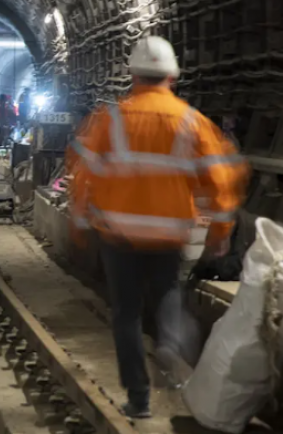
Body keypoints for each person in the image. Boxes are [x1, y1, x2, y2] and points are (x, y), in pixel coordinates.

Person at [68, 36, 249, 419]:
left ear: (132, 75)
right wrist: (219, 233)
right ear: (172, 76)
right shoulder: (191, 121)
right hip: (169, 233)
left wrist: (81, 223)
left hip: (118, 234)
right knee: (168, 293)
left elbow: (83, 172)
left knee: (126, 314)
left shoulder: (111, 118)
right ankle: (170, 341)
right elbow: (221, 179)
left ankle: (138, 399)